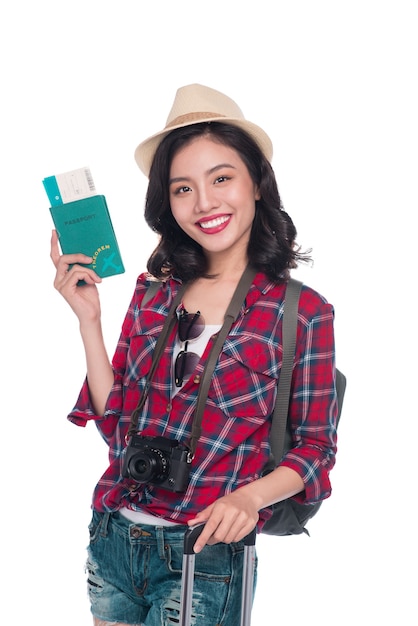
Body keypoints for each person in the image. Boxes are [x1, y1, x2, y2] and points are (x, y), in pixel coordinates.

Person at [50, 83, 338, 626]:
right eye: (183, 188)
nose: (204, 203)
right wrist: (89, 321)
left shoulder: (302, 311)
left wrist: (249, 498)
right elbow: (117, 428)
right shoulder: (154, 290)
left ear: (257, 183)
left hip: (203, 555)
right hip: (112, 540)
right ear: (168, 202)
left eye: (221, 178)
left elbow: (317, 449)